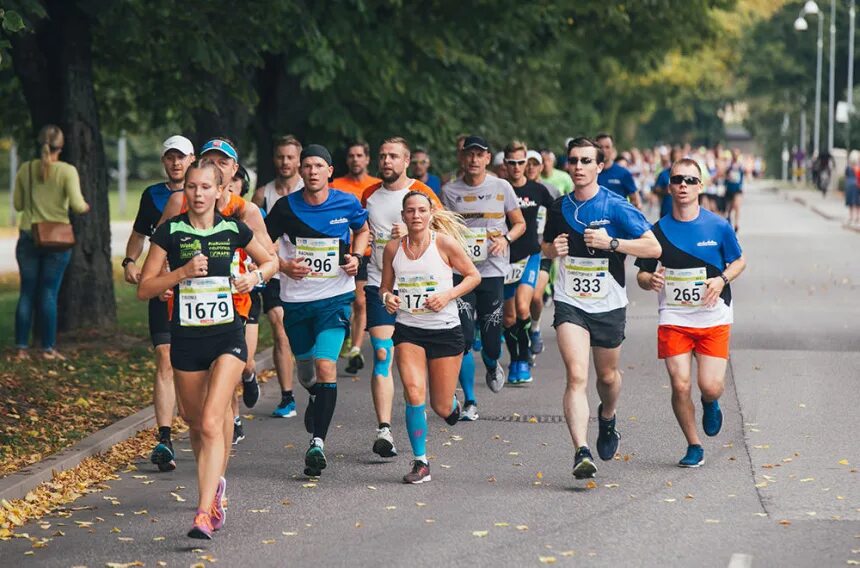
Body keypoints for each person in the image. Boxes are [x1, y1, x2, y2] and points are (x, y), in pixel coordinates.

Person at [138, 160, 277, 539]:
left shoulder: (234, 228)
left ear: (221, 191)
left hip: (227, 336)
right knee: (195, 422)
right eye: (192, 187)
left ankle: (203, 511)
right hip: (186, 338)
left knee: (214, 420)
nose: (198, 194)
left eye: (205, 187)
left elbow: (271, 260)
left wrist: (253, 277)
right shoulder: (170, 232)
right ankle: (214, 486)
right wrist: (180, 273)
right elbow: (145, 288)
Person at [542, 137, 660, 479]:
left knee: (607, 377)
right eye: (574, 161)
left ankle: (607, 417)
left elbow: (652, 247)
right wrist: (553, 249)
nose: (578, 167)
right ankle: (581, 450)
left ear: (599, 166)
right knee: (577, 375)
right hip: (570, 302)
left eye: (585, 161)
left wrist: (612, 243)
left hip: (608, 303)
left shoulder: (617, 206)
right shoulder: (558, 206)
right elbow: (545, 247)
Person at [265, 144, 370, 477]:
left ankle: (317, 443)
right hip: (296, 302)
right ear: (300, 171)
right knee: (308, 374)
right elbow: (262, 245)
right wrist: (282, 265)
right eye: (306, 166)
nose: (311, 171)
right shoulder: (285, 208)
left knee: (327, 367)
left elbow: (363, 229)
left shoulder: (347, 203)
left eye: (318, 166)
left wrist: (357, 256)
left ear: (329, 171)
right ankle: (314, 396)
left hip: (335, 298)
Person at [635, 159, 746, 467]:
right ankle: (693, 443)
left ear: (700, 186)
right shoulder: (655, 232)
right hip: (675, 317)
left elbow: (739, 262)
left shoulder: (719, 226)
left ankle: (710, 402)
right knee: (680, 383)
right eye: (677, 180)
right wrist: (651, 280)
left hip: (713, 315)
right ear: (669, 187)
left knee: (710, 385)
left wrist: (721, 278)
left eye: (689, 180)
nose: (683, 184)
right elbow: (641, 275)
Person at [379, 191, 480, 483]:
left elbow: (474, 276)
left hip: (445, 331)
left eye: (422, 210)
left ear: (430, 214)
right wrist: (387, 298)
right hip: (409, 329)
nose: (416, 216)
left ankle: (452, 406)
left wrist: (448, 295)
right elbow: (384, 287)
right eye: (410, 211)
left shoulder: (444, 244)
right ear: (403, 215)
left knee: (441, 406)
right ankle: (420, 462)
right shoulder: (393, 248)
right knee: (413, 392)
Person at [361, 137, 441, 458]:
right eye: (382, 156)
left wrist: (411, 236)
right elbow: (360, 232)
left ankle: (437, 403)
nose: (386, 161)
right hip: (380, 285)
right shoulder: (368, 195)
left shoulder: (422, 193)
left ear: (406, 160)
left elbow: (444, 233)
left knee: (416, 364)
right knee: (382, 355)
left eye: (393, 156)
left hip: (418, 287)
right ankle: (384, 429)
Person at [441, 135, 526, 420]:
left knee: (491, 338)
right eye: (469, 154)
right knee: (463, 337)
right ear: (461, 158)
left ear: (488, 159)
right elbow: (442, 230)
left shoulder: (502, 187)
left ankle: (492, 364)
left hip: (492, 271)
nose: (474, 160)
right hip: (461, 272)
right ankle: (470, 401)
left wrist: (505, 238)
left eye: (480, 155)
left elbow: (520, 224)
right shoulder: (449, 191)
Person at [123, 134, 195, 469]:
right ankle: (164, 438)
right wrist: (129, 261)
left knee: (197, 363)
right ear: (164, 161)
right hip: (163, 284)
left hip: (198, 290)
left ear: (192, 159)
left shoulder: (207, 193)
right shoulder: (152, 195)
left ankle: (208, 424)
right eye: (170, 157)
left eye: (181, 157)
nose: (176, 163)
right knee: (164, 358)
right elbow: (140, 233)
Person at [13, 124, 90, 361]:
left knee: (27, 292)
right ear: (62, 145)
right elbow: (77, 205)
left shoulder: (26, 169)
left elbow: (18, 205)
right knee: (48, 293)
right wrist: (86, 206)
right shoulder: (67, 171)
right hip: (57, 240)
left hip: (28, 235)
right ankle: (47, 349)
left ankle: (21, 349)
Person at [252, 135, 304, 419]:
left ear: (299, 160)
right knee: (279, 327)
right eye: (280, 157)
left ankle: (313, 377)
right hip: (274, 271)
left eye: (290, 157)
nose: (285, 162)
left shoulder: (310, 190)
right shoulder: (263, 194)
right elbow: (251, 234)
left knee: (303, 335)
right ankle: (287, 396)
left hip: (306, 273)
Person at [502, 141, 554, 384]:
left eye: (520, 162)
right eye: (511, 163)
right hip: (502, 259)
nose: (516, 167)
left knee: (524, 307)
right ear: (505, 164)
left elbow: (556, 215)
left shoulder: (537, 190)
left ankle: (523, 360)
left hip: (530, 255)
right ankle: (514, 359)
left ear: (526, 163)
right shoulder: (499, 190)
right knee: (509, 318)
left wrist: (552, 243)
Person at [331, 140, 381, 374]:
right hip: (339, 251)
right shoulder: (336, 185)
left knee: (360, 301)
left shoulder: (377, 186)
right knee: (344, 301)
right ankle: (342, 336)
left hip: (366, 253)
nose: (355, 160)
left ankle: (356, 348)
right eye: (351, 155)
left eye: (359, 155)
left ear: (367, 159)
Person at [225, 165, 262, 444]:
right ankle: (234, 419)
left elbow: (269, 254)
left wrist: (254, 272)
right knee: (227, 364)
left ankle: (250, 377)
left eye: (236, 181)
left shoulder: (247, 212)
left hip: (245, 297)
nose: (230, 185)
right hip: (216, 301)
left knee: (245, 363)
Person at [526, 150, 559, 357]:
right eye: (527, 164)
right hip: (521, 252)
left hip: (543, 250)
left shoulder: (550, 190)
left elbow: (557, 215)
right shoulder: (513, 190)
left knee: (536, 296)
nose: (530, 168)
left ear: (541, 167)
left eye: (534, 164)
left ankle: (535, 328)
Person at [595, 133, 642, 209]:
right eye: (600, 147)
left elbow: (636, 201)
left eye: (607, 147)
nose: (603, 150)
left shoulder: (623, 173)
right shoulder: (590, 172)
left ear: (612, 149)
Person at [724, 149, 744, 233]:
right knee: (729, 207)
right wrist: (728, 178)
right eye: (734, 154)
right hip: (730, 188)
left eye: (737, 154)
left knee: (737, 206)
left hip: (737, 189)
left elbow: (742, 176)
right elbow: (725, 175)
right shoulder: (729, 165)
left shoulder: (740, 165)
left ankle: (736, 224)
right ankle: (728, 218)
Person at [845, 152, 860, 225]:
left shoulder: (848, 167)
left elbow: (846, 177)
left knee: (851, 202)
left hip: (849, 185)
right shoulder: (857, 168)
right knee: (857, 201)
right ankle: (857, 217)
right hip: (857, 185)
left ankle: (851, 217)